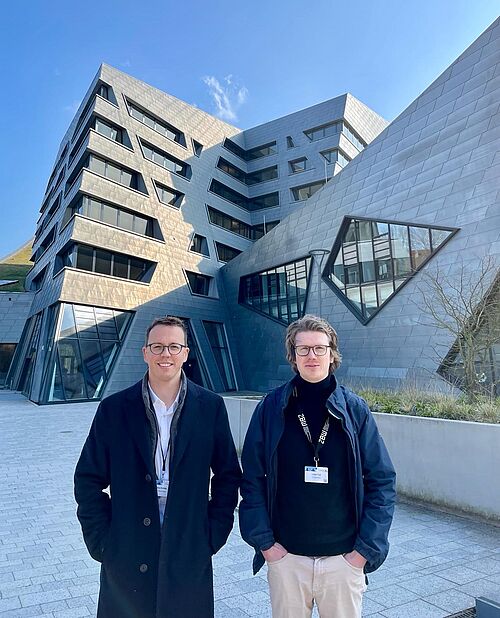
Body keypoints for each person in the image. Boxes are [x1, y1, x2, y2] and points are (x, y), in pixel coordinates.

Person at [74, 315, 241, 618]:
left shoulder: (211, 407)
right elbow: (87, 478)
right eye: (158, 346)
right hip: (125, 546)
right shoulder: (114, 409)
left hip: (189, 545)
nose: (166, 354)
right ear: (145, 352)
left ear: (186, 354)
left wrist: (214, 533)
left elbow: (228, 475)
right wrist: (102, 540)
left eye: (174, 347)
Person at [239, 314, 396, 618]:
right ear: (293, 357)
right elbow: (252, 480)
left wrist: (364, 553)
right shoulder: (271, 409)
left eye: (319, 348)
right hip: (287, 559)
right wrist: (267, 547)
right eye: (303, 349)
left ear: (332, 354)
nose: (312, 356)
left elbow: (382, 481)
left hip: (344, 560)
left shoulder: (354, 410)